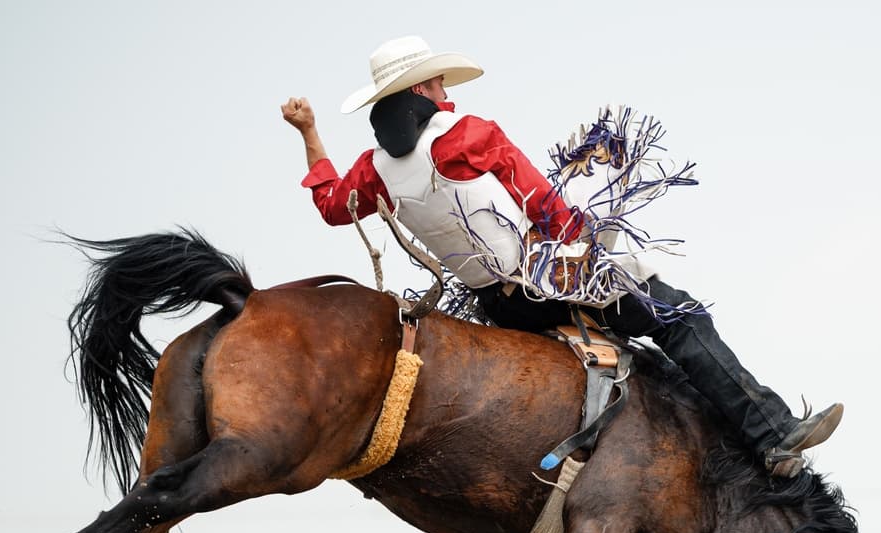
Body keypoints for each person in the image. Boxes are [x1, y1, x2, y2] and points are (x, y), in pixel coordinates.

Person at [281, 36, 843, 479]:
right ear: (425, 87)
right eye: (438, 81)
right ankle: (772, 435)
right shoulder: (471, 134)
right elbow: (542, 204)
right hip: (549, 282)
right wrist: (589, 247)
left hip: (496, 307)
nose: (445, 88)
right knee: (680, 316)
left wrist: (309, 131)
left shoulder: (371, 171)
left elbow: (333, 205)